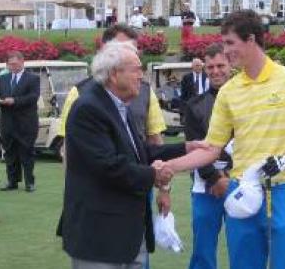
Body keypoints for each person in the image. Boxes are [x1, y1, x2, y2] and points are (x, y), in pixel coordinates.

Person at [155, 10, 285, 269]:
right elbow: (212, 148)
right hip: (242, 192)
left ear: (250, 39)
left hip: (283, 189)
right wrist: (172, 166)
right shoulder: (228, 92)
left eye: (230, 43)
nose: (225, 51)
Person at [60, 41, 206, 269]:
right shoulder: (88, 108)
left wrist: (185, 147)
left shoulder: (117, 105)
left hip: (129, 232)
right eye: (137, 69)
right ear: (114, 74)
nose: (142, 76)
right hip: (100, 237)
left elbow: (140, 152)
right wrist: (154, 175)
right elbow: (107, 166)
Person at [183, 43, 233, 269]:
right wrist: (215, 178)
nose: (215, 71)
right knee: (203, 250)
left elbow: (253, 142)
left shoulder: (247, 99)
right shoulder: (194, 104)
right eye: (210, 66)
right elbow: (195, 146)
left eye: (220, 65)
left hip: (242, 183)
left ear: (231, 65)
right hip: (205, 186)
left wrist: (229, 176)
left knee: (244, 246)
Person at [0, 51, 40, 192]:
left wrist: (15, 101)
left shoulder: (33, 78)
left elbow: (33, 97)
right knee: (9, 153)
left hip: (26, 123)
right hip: (7, 122)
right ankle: (12, 181)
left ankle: (29, 183)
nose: (12, 66)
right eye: (9, 64)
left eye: (14, 64)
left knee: (27, 153)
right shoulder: (3, 78)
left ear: (22, 62)